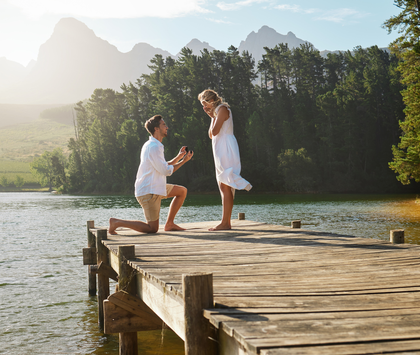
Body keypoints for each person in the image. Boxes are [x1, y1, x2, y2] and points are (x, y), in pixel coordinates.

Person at [109, 115, 194, 234]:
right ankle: (116, 223)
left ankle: (169, 224)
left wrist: (179, 157)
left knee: (182, 191)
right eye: (164, 125)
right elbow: (166, 171)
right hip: (148, 191)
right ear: (156, 129)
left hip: (156, 187)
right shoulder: (153, 147)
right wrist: (184, 161)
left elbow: (163, 165)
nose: (167, 127)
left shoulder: (153, 145)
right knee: (152, 228)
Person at [198, 89, 252, 231]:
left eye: (204, 104)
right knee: (223, 184)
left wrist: (213, 116)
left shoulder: (222, 109)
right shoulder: (216, 113)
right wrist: (211, 117)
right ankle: (226, 222)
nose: (204, 107)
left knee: (225, 184)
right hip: (219, 148)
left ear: (210, 101)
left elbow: (215, 131)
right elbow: (211, 134)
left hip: (226, 147)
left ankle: (225, 223)